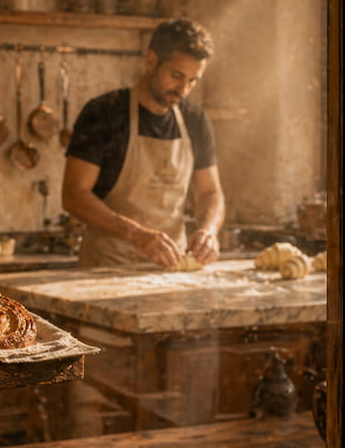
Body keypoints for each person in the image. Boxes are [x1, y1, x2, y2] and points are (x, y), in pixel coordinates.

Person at [62, 18, 224, 268]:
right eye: (176, 76)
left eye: (193, 81)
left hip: (171, 268)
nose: (183, 89)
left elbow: (210, 192)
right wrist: (136, 234)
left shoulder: (195, 119)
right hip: (106, 268)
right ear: (151, 61)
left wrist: (209, 230)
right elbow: (74, 195)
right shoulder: (104, 112)